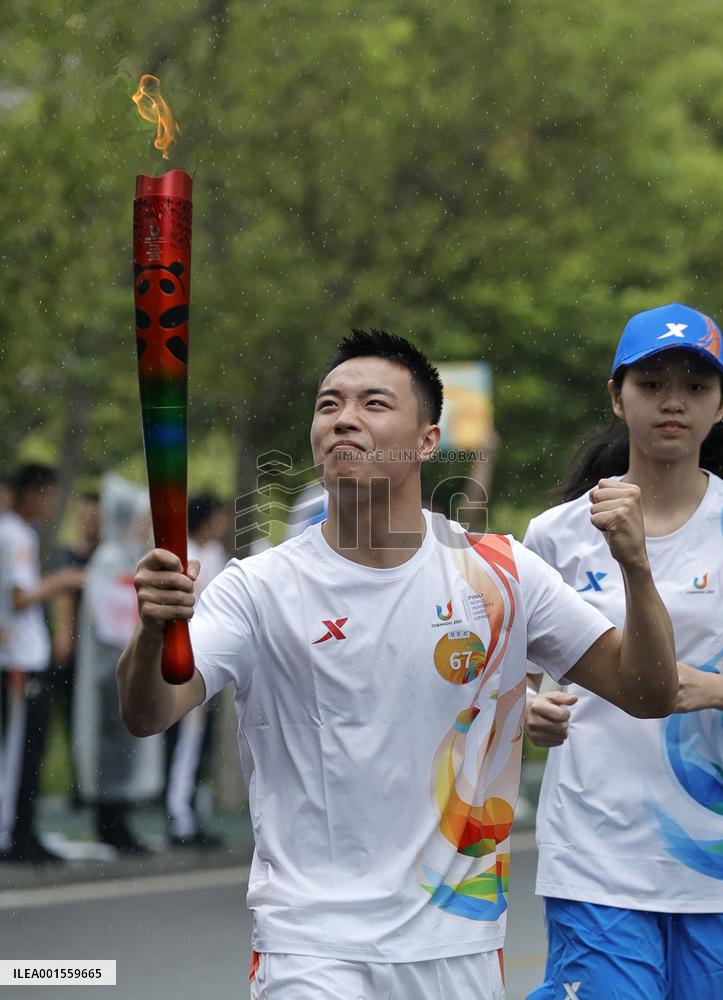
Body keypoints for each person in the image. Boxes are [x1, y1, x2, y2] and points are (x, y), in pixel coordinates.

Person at [117, 329, 678, 1000]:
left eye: (373, 403)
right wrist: (153, 632)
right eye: (329, 404)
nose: (344, 418)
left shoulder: (502, 575)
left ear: (427, 440)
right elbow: (150, 711)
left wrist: (636, 569)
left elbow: (647, 693)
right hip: (309, 944)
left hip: (456, 942)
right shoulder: (258, 587)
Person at [523, 303, 723, 999]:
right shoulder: (556, 535)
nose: (673, 401)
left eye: (695, 386)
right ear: (616, 396)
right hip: (596, 855)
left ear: (720, 405)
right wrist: (526, 709)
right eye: (651, 383)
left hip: (713, 858)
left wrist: (711, 688)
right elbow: (506, 676)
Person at [0, 463, 84, 863]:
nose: (50, 504)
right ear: (32, 493)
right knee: (19, 752)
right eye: (48, 495)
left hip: (24, 657)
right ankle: (14, 836)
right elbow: (19, 598)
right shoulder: (14, 533)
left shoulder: (20, 533)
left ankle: (22, 831)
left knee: (29, 751)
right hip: (18, 660)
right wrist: (62, 580)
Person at [74, 474, 163, 854]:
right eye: (141, 518)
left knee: (126, 748)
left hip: (126, 663)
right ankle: (110, 823)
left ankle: (120, 819)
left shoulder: (129, 556)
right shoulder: (109, 559)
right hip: (109, 669)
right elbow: (106, 620)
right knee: (111, 747)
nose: (145, 525)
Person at [165, 493, 229, 847]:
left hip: (212, 659)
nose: (225, 524)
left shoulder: (216, 554)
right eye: (219, 517)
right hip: (188, 659)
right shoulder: (184, 553)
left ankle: (191, 810)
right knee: (185, 742)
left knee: (200, 744)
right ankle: (179, 817)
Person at [50, 491, 100, 806]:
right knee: (72, 718)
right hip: (77, 654)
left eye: (94, 516)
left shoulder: (108, 556)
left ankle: (97, 783)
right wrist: (64, 637)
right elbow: (63, 598)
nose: (89, 523)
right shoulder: (67, 556)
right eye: (84, 517)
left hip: (102, 654)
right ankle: (81, 783)